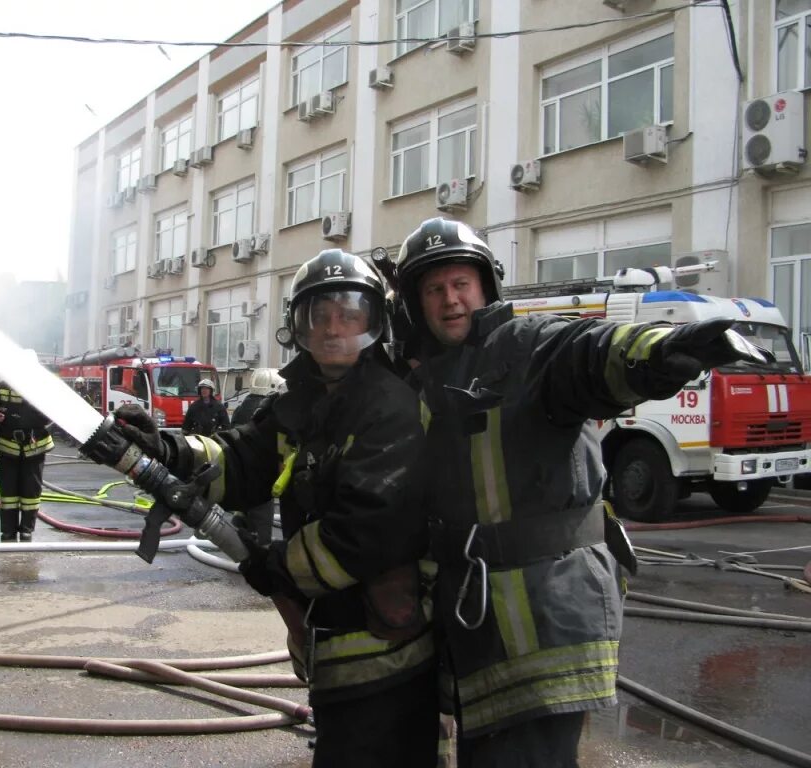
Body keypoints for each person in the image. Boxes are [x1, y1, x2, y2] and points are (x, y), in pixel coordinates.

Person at [392, 217, 766, 768]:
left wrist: (657, 352)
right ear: (416, 303)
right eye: (434, 289)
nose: (450, 300)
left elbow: (592, 353)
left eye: (460, 284)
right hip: (477, 632)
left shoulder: (526, 347)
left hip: (546, 627)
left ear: (485, 288)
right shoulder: (427, 381)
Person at [89, 249, 438, 767]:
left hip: (387, 655)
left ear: (375, 323)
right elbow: (240, 459)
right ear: (299, 327)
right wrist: (167, 449)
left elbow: (366, 530)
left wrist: (275, 567)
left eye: (349, 315)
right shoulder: (303, 401)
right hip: (334, 648)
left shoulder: (389, 406)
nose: (333, 328)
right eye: (319, 316)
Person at [0, 366, 55, 543]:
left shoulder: (42, 388)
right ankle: (8, 532)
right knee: (8, 493)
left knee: (31, 492)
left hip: (35, 447)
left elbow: (52, 414)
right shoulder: (3, 386)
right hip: (8, 447)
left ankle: (26, 530)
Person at [229, 368, 285, 546]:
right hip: (262, 471)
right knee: (262, 511)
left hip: (240, 468)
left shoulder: (242, 406)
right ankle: (262, 547)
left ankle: (242, 534)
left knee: (245, 506)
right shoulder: (270, 409)